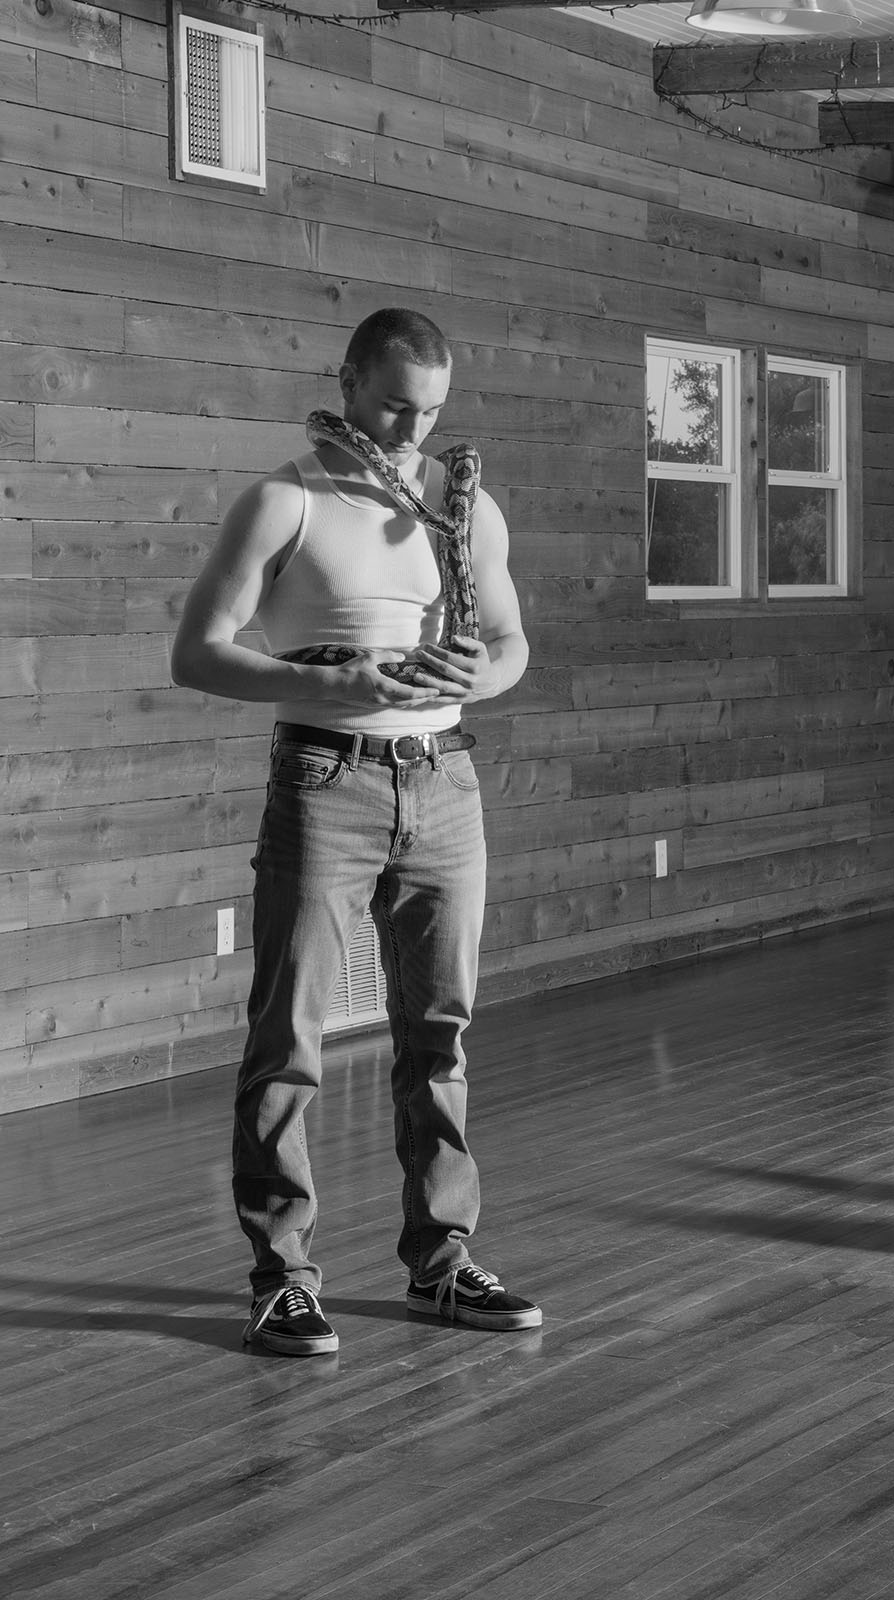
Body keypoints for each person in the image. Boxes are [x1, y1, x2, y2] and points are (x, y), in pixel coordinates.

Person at [172, 308, 541, 1356]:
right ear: (344, 379)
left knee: (440, 1035)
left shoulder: (464, 507)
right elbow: (196, 653)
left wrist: (488, 671)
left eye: (429, 410)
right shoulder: (284, 499)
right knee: (286, 1037)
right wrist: (324, 678)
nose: (411, 428)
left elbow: (512, 643)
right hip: (324, 777)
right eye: (392, 404)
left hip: (445, 780)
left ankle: (442, 1264)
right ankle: (281, 1277)